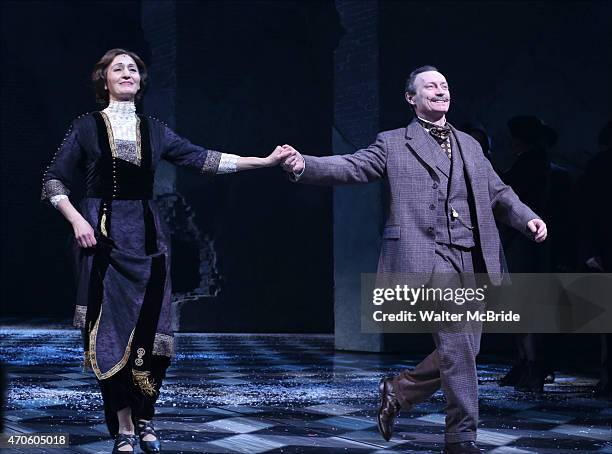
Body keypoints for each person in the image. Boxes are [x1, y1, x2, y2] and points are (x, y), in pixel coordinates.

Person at [279, 65, 547, 454]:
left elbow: (499, 191)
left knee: (465, 351)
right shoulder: (392, 142)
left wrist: (527, 218)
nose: (440, 90)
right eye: (430, 86)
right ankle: (460, 438)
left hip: (470, 256)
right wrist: (305, 165)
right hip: (426, 255)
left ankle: (399, 390)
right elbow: (353, 166)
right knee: (457, 346)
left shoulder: (470, 145)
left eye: (444, 85)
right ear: (411, 98)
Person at [40, 48, 288, 453]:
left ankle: (145, 416)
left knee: (152, 337)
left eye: (133, 68)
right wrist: (76, 219)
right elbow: (53, 180)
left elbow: (204, 159)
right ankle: (123, 425)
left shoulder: (155, 130)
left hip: (149, 241)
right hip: (101, 239)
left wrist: (264, 162)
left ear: (141, 80)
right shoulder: (85, 127)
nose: (126, 73)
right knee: (109, 336)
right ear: (103, 80)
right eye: (117, 68)